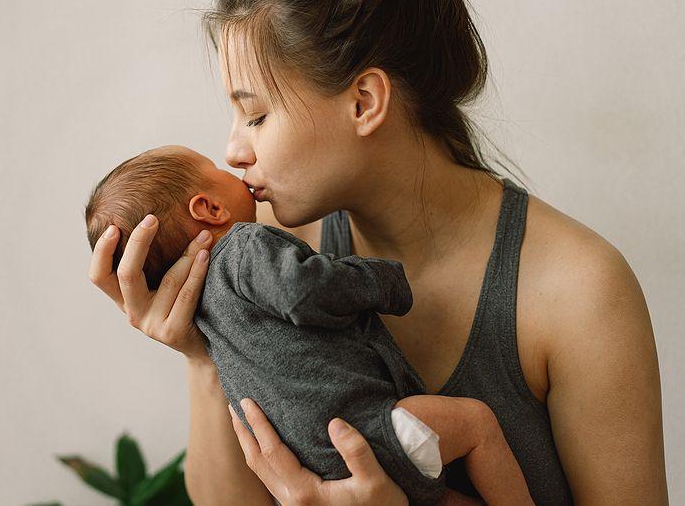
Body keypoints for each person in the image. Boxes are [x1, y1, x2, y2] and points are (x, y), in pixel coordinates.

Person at [88, 0, 668, 504]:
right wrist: (203, 355)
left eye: (257, 115)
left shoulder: (580, 291)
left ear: (364, 102)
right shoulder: (265, 252)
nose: (234, 152)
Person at [84, 144, 534, 505]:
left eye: (257, 118)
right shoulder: (244, 245)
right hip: (373, 432)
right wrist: (383, 282)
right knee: (476, 424)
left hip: (321, 470)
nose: (233, 152)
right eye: (213, 165)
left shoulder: (206, 315)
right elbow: (304, 290)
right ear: (209, 208)